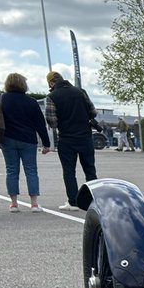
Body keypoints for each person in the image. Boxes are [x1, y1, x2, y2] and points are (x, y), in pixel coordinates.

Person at [0, 73, 52, 212]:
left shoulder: (0, 99)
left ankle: (13, 203)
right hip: (28, 140)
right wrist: (46, 144)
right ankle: (34, 204)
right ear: (23, 84)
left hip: (8, 139)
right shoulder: (31, 101)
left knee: (11, 170)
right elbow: (40, 124)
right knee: (31, 170)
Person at [44, 70, 98, 209]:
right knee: (90, 169)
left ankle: (73, 202)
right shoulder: (81, 92)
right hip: (85, 136)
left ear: (51, 83)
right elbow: (93, 112)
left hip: (67, 139)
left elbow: (52, 121)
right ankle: (94, 200)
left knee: (69, 171)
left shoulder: (52, 96)